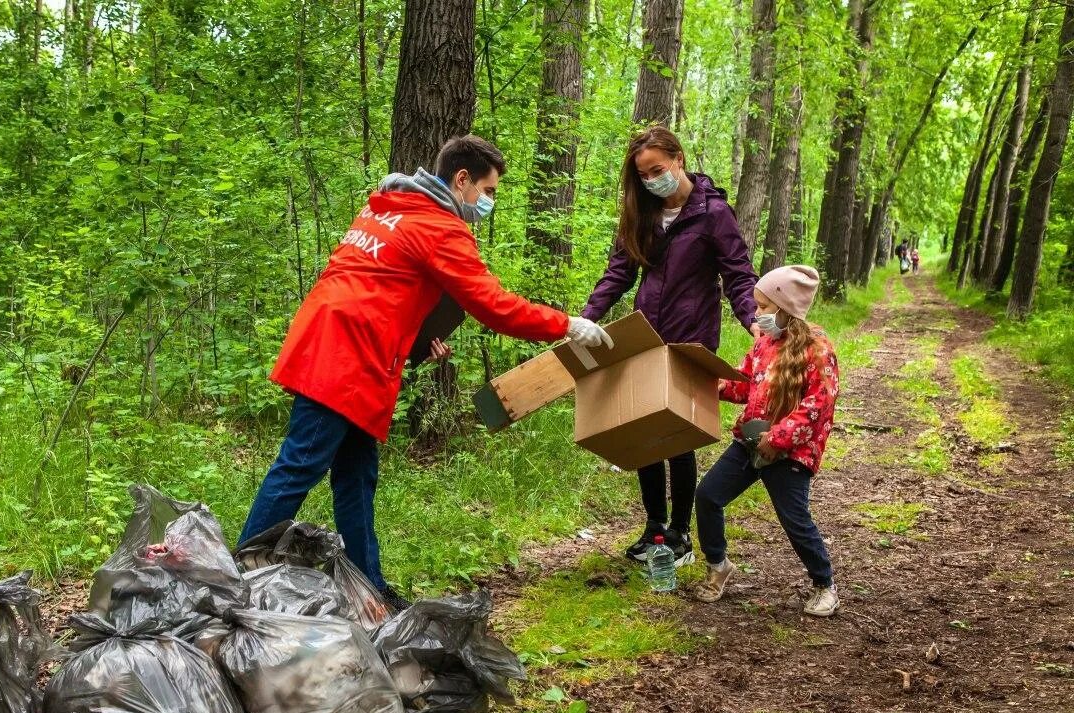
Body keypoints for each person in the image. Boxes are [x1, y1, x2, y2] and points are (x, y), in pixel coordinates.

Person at [239, 135, 613, 609]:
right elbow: (494, 307)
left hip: (343, 347)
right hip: (344, 359)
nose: (487, 202)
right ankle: (237, 581)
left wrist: (414, 342)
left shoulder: (387, 207)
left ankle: (368, 587)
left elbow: (378, 285)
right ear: (462, 180)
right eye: (487, 189)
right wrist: (566, 324)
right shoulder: (439, 226)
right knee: (300, 465)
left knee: (355, 477)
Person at [578, 125, 758, 569]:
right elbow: (619, 272)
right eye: (643, 175)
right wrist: (587, 317)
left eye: (657, 169)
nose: (652, 180)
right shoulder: (641, 213)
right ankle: (654, 526)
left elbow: (738, 274)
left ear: (678, 159)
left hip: (690, 339)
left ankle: (680, 533)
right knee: (646, 433)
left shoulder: (713, 214)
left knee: (678, 436)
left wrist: (755, 321)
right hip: (645, 335)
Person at [693, 265, 841, 617]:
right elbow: (748, 384)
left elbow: (818, 404)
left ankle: (825, 585)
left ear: (786, 308)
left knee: (794, 519)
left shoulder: (817, 349)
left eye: (763, 307)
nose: (756, 314)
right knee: (708, 495)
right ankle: (718, 565)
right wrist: (719, 387)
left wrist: (778, 438)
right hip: (750, 440)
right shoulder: (764, 343)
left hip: (790, 450)